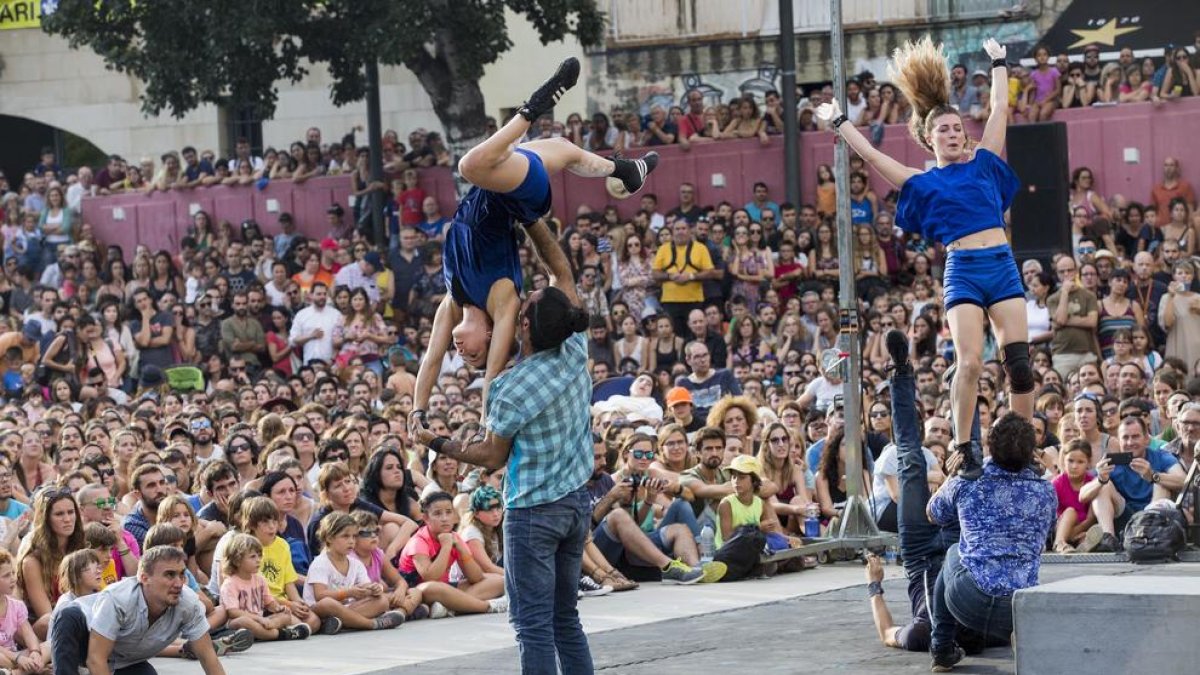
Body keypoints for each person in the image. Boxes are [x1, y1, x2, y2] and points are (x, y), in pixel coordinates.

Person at [819, 37, 1031, 481]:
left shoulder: (984, 162)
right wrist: (839, 121)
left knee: (1020, 366)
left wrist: (997, 62)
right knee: (970, 362)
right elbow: (874, 156)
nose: (954, 134)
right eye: (944, 131)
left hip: (1001, 264)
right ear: (928, 139)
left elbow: (998, 111)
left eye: (957, 129)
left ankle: (1020, 447)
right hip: (965, 272)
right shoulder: (923, 180)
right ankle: (962, 444)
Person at [412, 57, 658, 419]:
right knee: (469, 166)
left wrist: (417, 411)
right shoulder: (502, 300)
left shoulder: (453, 299)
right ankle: (532, 108)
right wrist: (484, 420)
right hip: (518, 198)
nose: (462, 352)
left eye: (466, 357)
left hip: (501, 182)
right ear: (494, 333)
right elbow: (494, 374)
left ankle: (626, 170)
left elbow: (432, 358)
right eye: (475, 353)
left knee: (562, 147)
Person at [413, 217, 594, 674]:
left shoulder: (511, 387)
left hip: (535, 513)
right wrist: (530, 217)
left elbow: (492, 455)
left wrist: (438, 442)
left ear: (525, 328)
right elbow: (561, 272)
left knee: (532, 625)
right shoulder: (574, 349)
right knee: (566, 617)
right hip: (576, 504)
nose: (517, 302)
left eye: (523, 305)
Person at [927, 411, 1056, 671]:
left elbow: (932, 513)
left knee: (954, 551)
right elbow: (1049, 531)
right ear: (1032, 451)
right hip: (1018, 609)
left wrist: (951, 477)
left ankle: (941, 649)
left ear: (990, 446)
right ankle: (1018, 636)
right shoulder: (1046, 490)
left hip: (967, 599)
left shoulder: (968, 480)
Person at [50, 546, 228, 675]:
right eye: (169, 575)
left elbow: (208, 658)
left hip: (124, 659)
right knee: (68, 616)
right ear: (144, 578)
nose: (178, 583)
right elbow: (95, 659)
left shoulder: (188, 602)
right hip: (86, 639)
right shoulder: (118, 599)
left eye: (181, 574)